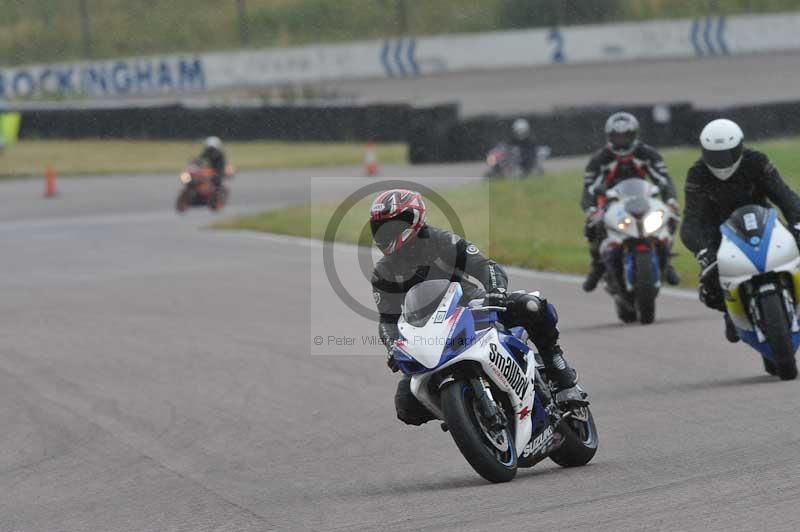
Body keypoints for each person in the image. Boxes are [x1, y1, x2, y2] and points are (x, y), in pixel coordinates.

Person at [368, 189, 586, 426]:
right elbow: (388, 320)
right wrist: (392, 347)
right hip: (429, 332)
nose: (387, 233)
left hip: (471, 307)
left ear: (415, 219)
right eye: (381, 228)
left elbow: (486, 266)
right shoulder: (383, 273)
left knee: (531, 306)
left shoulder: (442, 241)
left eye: (393, 226)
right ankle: (466, 411)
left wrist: (496, 293)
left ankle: (559, 372)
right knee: (406, 406)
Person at [681, 118, 800, 344]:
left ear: (739, 147)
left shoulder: (757, 161)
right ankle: (730, 311)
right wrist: (703, 251)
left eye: (726, 154)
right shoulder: (697, 173)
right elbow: (691, 221)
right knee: (709, 286)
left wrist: (797, 223)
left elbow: (785, 196)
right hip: (719, 231)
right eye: (714, 155)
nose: (720, 161)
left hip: (764, 222)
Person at [581, 111, 681, 292]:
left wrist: (671, 200)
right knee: (591, 227)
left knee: (671, 217)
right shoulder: (599, 159)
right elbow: (588, 189)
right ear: (609, 137)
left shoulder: (647, 154)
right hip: (611, 204)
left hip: (644, 200)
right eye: (617, 137)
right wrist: (591, 209)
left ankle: (666, 261)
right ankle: (597, 265)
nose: (621, 141)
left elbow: (664, 180)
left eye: (625, 136)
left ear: (634, 135)